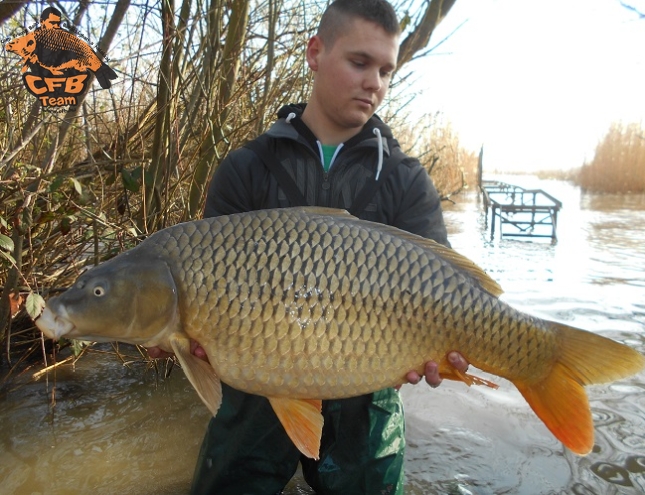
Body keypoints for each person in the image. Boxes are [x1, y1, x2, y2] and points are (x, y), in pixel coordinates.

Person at [149, 1, 469, 493]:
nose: (375, 83)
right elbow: (198, 287)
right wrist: (179, 337)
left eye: (385, 69)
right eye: (359, 63)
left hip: (367, 399)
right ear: (315, 53)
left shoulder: (405, 180)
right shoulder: (246, 168)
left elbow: (447, 291)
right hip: (254, 392)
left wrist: (445, 353)